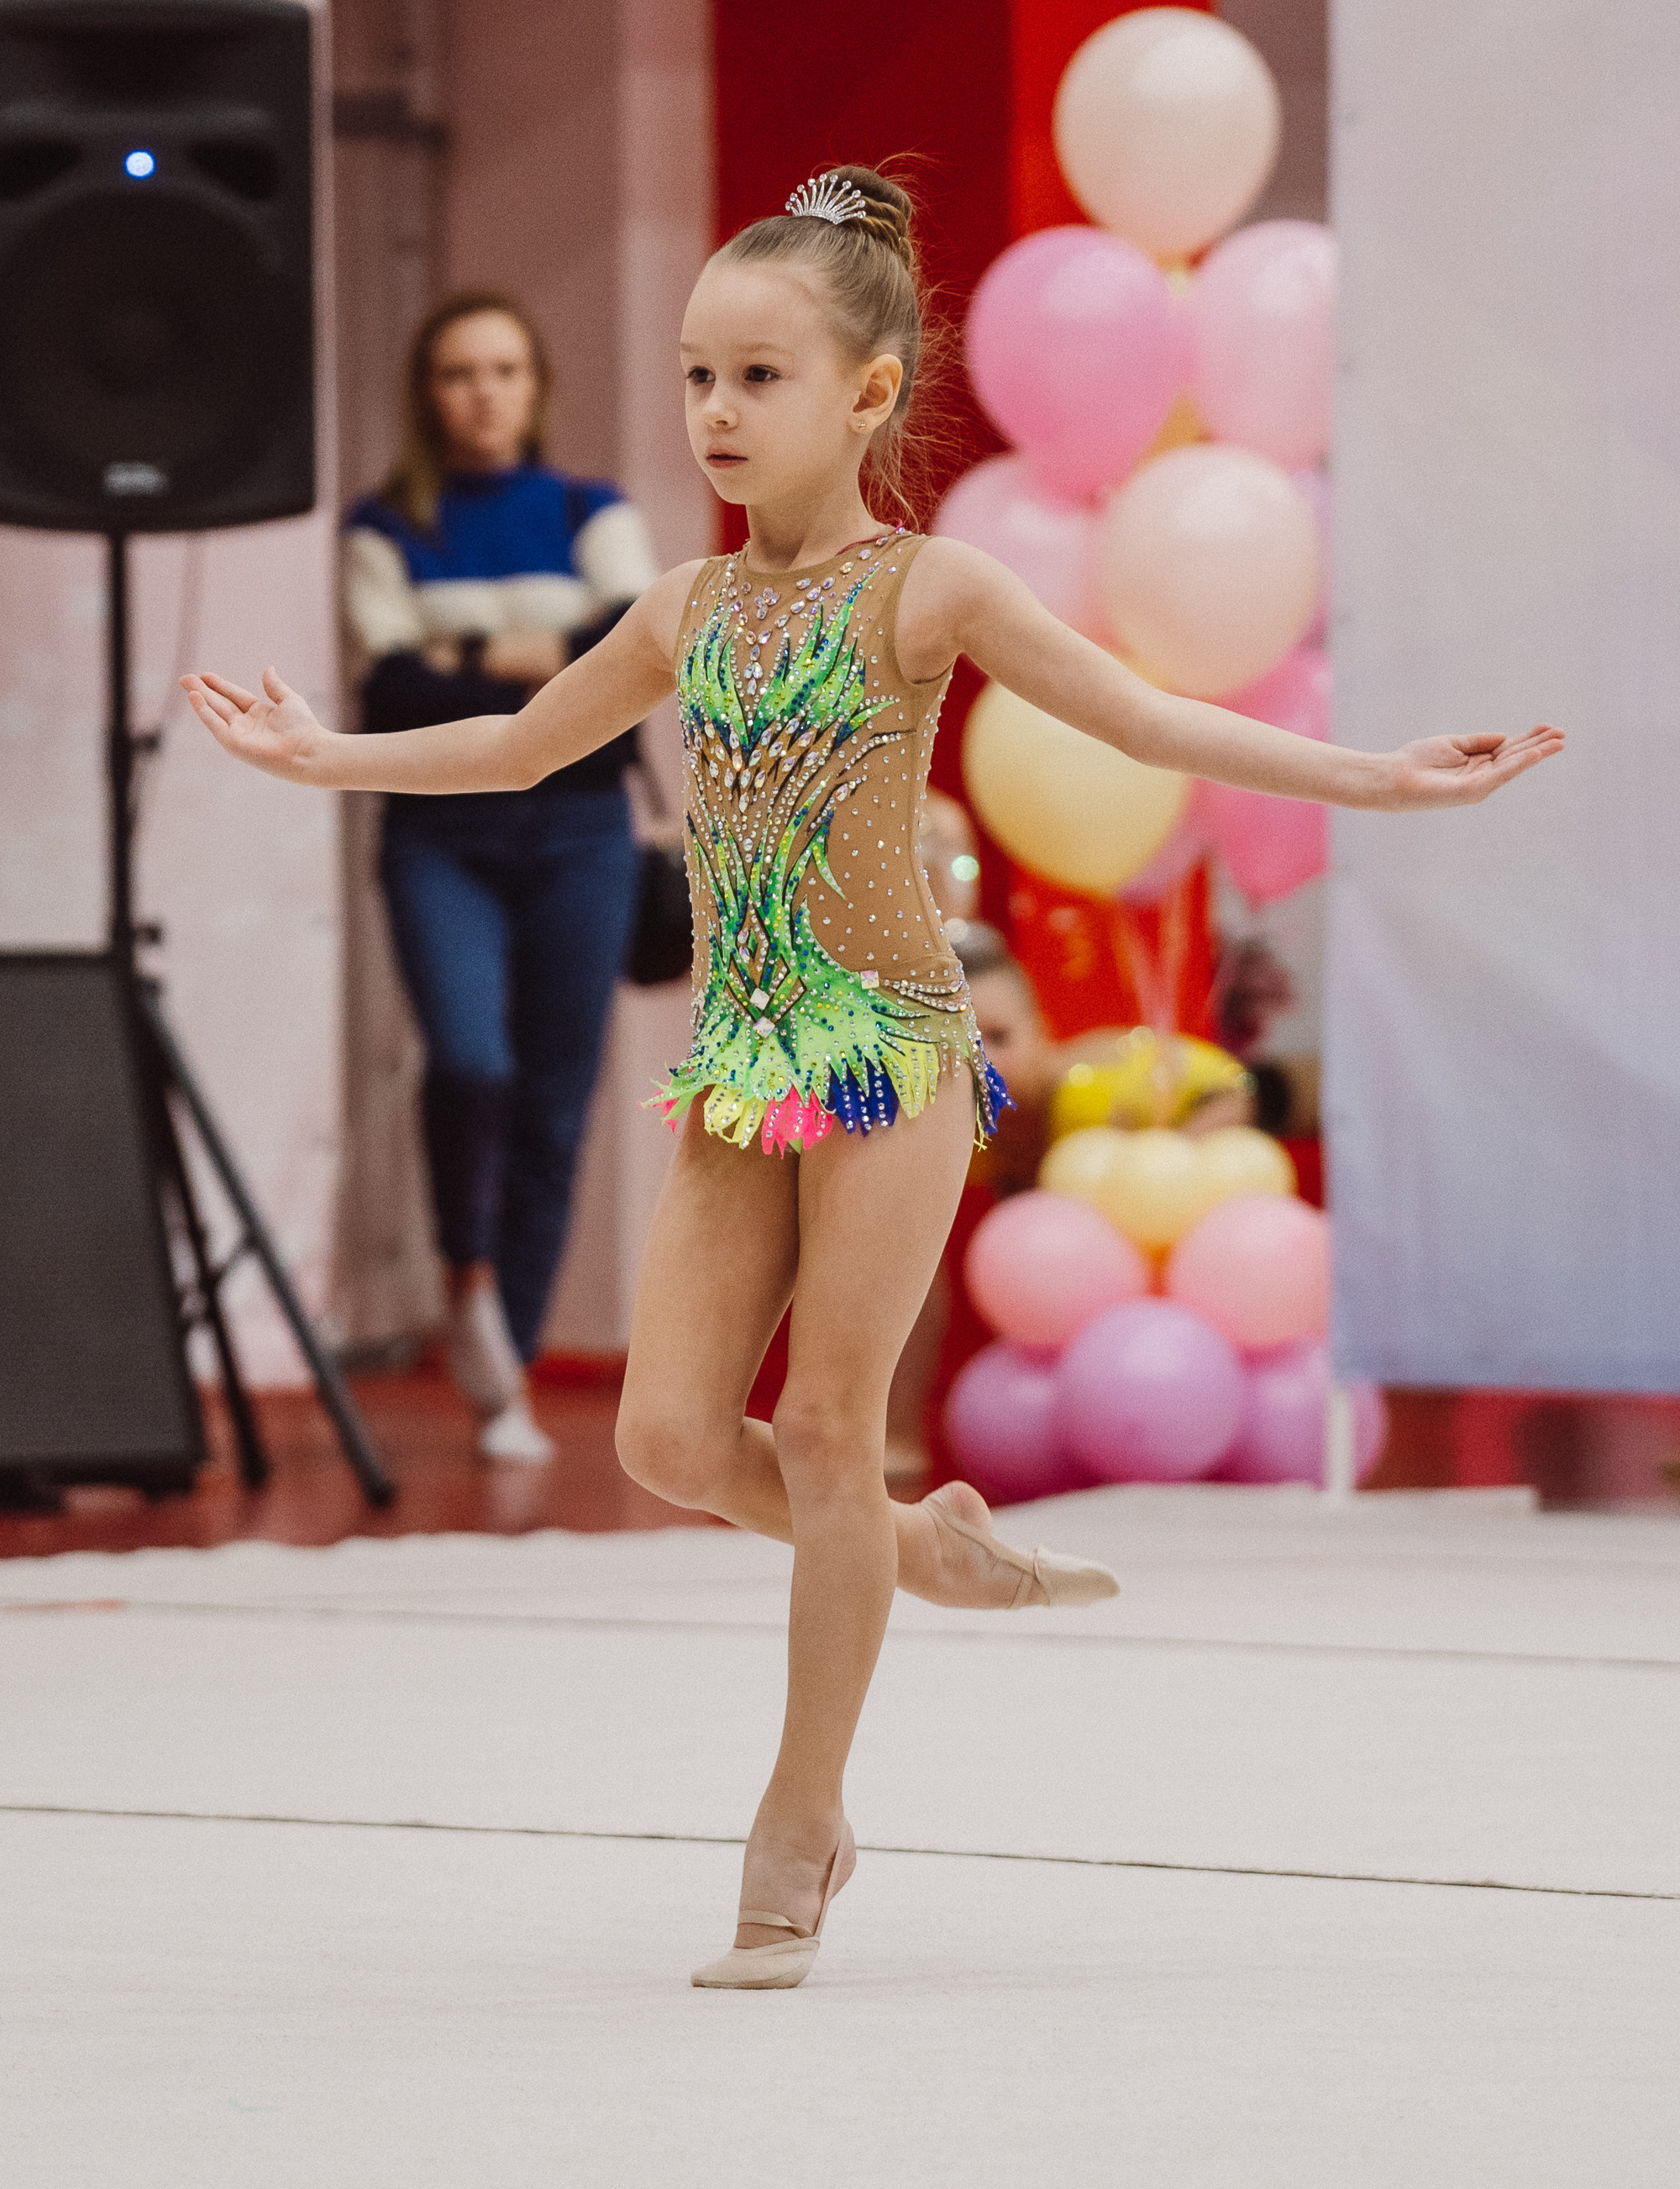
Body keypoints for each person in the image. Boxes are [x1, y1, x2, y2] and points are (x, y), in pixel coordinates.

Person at [182, 164, 1562, 1988]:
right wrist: (324, 755)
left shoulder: (933, 588)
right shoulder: (681, 607)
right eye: (695, 378)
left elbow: (1149, 717)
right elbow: (525, 743)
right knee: (669, 1437)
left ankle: (801, 1818)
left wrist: (1383, 778)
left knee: (824, 1424)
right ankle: (919, 1548)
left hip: (897, 1053)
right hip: (745, 1057)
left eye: (757, 378)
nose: (717, 416)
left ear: (870, 391)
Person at [342, 291, 659, 1464]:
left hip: (582, 833)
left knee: (556, 1101)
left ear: (538, 387)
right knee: (472, 1062)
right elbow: (389, 697)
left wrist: (458, 659)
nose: (484, 393)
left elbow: (631, 667)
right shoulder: (385, 525)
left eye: (505, 371)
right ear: (428, 395)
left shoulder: (594, 510)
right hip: (440, 838)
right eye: (460, 373)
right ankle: (464, 1269)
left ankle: (503, 1359)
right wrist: (533, 662)